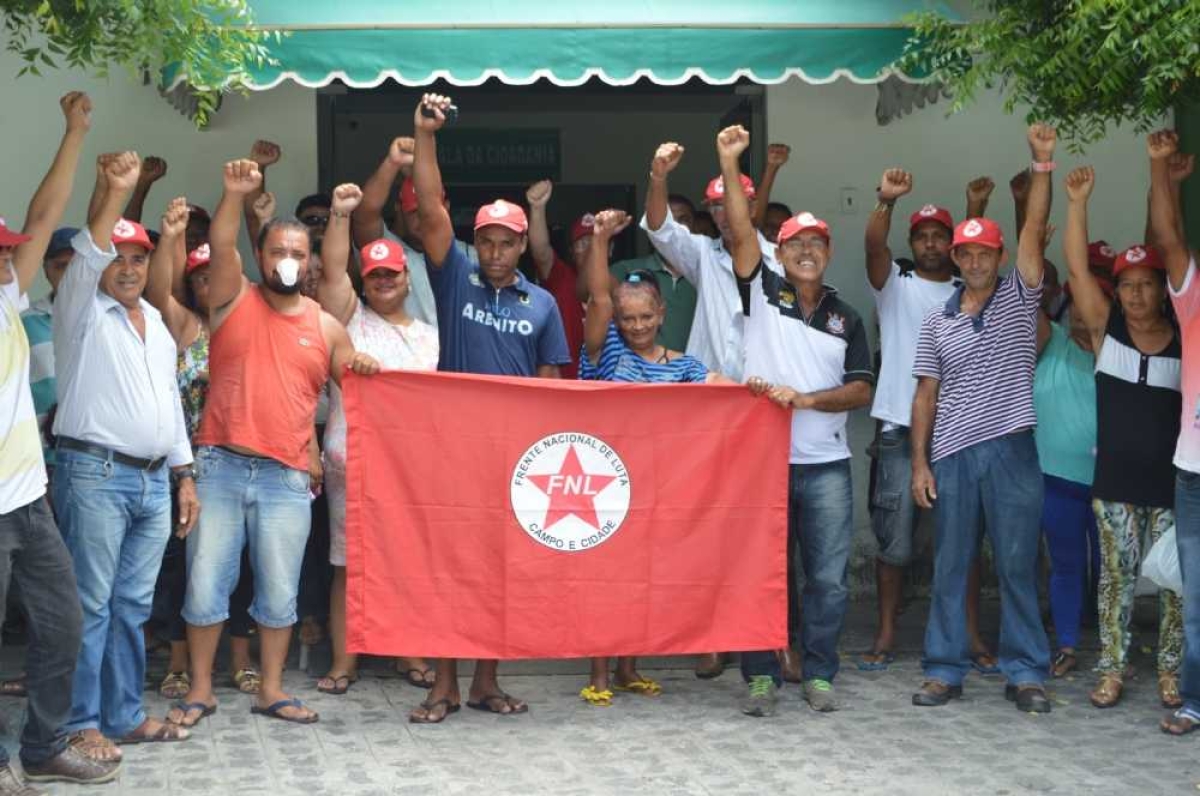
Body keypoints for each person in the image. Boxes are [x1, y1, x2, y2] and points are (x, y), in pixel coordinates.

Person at [169, 158, 380, 728]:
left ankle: (270, 689)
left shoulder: (325, 324)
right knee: (207, 585)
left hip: (287, 477)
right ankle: (202, 690)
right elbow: (219, 241)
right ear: (259, 258)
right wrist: (233, 194)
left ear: (310, 262)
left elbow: (358, 386)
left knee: (280, 593)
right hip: (220, 466)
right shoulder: (231, 298)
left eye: (297, 253)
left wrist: (359, 362)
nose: (287, 261)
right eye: (276, 252)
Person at [408, 93, 570, 723]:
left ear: (524, 243)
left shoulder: (543, 305)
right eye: (488, 242)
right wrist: (426, 138)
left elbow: (552, 380)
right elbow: (429, 208)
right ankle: (443, 684)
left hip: (514, 458)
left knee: (500, 573)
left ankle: (485, 682)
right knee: (451, 569)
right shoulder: (456, 278)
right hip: (454, 450)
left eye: (507, 242)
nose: (496, 252)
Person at [720, 126, 874, 717]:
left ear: (829, 253)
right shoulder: (763, 293)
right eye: (794, 243)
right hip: (761, 462)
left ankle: (819, 672)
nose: (806, 250)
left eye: (817, 242)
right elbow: (738, 228)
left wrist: (804, 400)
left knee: (829, 581)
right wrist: (731, 164)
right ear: (779, 254)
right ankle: (760, 675)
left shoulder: (846, 317)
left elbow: (861, 389)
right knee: (760, 572)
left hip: (826, 465)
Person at [51, 150, 198, 757]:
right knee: (90, 603)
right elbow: (88, 252)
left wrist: (185, 475)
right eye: (119, 258)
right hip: (95, 474)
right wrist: (114, 190)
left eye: (139, 257)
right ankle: (80, 723)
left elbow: (169, 405)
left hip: (153, 480)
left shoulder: (157, 325)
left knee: (132, 605)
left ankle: (124, 713)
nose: (130, 268)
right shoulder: (81, 310)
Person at [910, 124, 1057, 714]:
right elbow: (925, 394)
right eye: (964, 252)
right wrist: (920, 462)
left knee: (1018, 565)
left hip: (1012, 448)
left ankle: (1026, 672)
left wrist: (1041, 166)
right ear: (955, 256)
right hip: (951, 455)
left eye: (983, 252)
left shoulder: (1021, 294)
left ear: (999, 256)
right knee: (950, 566)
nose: (973, 260)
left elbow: (1034, 231)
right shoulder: (937, 319)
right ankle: (945, 670)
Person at [0, 91, 124, 790]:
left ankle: (45, 744)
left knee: (64, 623)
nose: (5, 262)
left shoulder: (6, 298)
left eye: (5, 254)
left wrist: (74, 133)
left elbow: (45, 216)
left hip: (28, 499)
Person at [640, 140, 795, 678]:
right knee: (710, 525)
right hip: (710, 409)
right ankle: (713, 636)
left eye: (734, 202)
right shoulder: (702, 255)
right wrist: (658, 177)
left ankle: (775, 638)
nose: (724, 214)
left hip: (768, 410)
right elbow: (659, 227)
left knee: (769, 530)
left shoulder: (781, 259)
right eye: (714, 207)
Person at [575, 208, 728, 706]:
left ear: (662, 314)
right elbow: (598, 295)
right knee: (605, 583)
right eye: (628, 318)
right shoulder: (606, 355)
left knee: (640, 582)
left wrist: (765, 393)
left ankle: (628, 669)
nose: (637, 326)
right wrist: (599, 240)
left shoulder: (684, 366)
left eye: (645, 317)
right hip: (604, 488)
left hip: (657, 490)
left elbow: (722, 392)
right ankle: (598, 674)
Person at [858, 170, 999, 674]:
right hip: (898, 426)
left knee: (962, 540)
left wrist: (975, 204)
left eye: (941, 234)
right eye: (923, 235)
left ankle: (970, 633)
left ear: (954, 243)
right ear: (913, 242)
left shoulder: (972, 290)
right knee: (893, 539)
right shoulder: (896, 284)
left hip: (960, 430)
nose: (933, 242)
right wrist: (886, 204)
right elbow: (874, 246)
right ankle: (886, 633)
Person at [1060, 164, 1184, 710]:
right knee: (1117, 581)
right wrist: (1078, 202)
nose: (1135, 294)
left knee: (1178, 586)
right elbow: (1074, 266)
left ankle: (1172, 673)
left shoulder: (1185, 338)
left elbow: (1169, 238)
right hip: (1113, 484)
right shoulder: (1105, 333)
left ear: (1162, 290)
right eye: (1127, 285)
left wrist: (1163, 181)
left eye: (1145, 284)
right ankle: (1112, 670)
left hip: (1173, 483)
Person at [312, 184, 440, 696]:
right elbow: (334, 270)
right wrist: (341, 217)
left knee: (405, 560)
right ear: (364, 282)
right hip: (353, 460)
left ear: (407, 278)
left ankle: (408, 651)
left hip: (410, 465)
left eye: (391, 273)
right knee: (348, 563)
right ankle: (346, 661)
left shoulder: (430, 335)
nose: (383, 281)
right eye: (375, 275)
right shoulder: (349, 320)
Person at [141, 200, 262, 700]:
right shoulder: (184, 327)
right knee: (180, 568)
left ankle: (239, 660)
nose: (210, 284)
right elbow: (154, 291)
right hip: (186, 469)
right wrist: (170, 238)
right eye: (200, 277)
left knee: (242, 568)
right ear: (192, 284)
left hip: (243, 463)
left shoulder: (256, 327)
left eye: (219, 275)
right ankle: (180, 664)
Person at [1148, 129, 1200, 736]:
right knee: (1198, 599)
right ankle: (1194, 697)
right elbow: (1168, 238)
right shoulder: (1192, 302)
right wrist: (1160, 170)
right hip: (1193, 476)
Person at [1032, 246, 1101, 679]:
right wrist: (1032, 230)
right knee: (1068, 564)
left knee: (1116, 570)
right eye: (1076, 301)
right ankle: (1069, 645)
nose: (1082, 311)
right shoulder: (1050, 340)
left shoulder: (1121, 352)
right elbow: (1025, 287)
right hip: (1058, 480)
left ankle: (1116, 652)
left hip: (1115, 483)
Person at [352, 134, 478, 330]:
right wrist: (392, 163)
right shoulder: (390, 251)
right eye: (414, 212)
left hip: (459, 357)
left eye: (428, 211)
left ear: (446, 207)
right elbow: (364, 215)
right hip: (406, 355)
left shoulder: (473, 256)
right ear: (399, 210)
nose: (423, 219)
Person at [608, 195, 699, 356]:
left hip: (696, 376)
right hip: (645, 375)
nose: (676, 228)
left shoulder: (707, 272)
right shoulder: (629, 268)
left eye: (683, 220)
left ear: (695, 225)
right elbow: (590, 292)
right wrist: (601, 238)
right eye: (669, 221)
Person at [525, 180, 585, 379]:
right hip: (561, 387)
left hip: (602, 391)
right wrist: (537, 208)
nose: (590, 248)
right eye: (582, 243)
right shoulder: (562, 276)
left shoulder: (618, 281)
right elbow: (541, 251)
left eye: (597, 241)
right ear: (571, 251)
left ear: (609, 249)